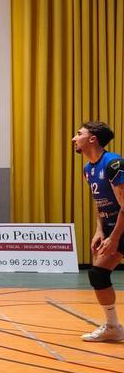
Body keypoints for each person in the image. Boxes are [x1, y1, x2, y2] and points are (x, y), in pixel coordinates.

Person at [73, 121, 124, 342]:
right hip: (113, 227)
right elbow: (99, 202)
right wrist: (99, 231)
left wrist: (115, 238)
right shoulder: (88, 169)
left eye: (79, 134)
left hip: (121, 226)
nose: (74, 138)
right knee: (98, 274)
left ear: (92, 139)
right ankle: (113, 327)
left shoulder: (113, 164)